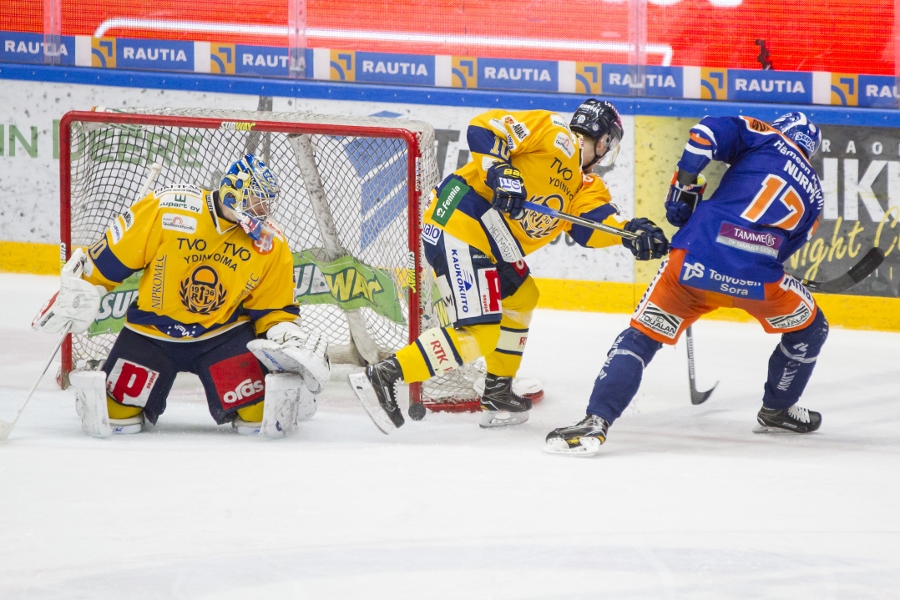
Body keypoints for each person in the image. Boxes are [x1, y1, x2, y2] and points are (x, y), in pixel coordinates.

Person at [349, 99, 670, 432]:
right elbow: (484, 127)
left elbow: (591, 225)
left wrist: (629, 232)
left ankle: (497, 390)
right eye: (609, 144)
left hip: (493, 240)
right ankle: (385, 374)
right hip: (460, 221)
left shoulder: (584, 185)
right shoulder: (552, 131)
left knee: (523, 296)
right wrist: (500, 169)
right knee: (481, 333)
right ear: (603, 140)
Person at [545, 111, 827, 456]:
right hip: (756, 280)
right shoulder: (815, 195)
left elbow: (706, 132)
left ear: (782, 129)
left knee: (641, 337)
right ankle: (778, 409)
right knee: (812, 328)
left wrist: (684, 186)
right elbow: (783, 251)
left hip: (692, 263)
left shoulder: (766, 135)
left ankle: (596, 420)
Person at [32, 154, 331, 438]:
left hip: (222, 336)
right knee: (115, 416)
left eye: (267, 203)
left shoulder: (269, 243)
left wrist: (285, 334)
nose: (263, 210)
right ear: (233, 192)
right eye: (256, 200)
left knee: (260, 416)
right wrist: (86, 289)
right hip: (151, 332)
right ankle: (108, 373)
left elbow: (274, 308)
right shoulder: (169, 210)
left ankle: (290, 393)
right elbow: (114, 254)